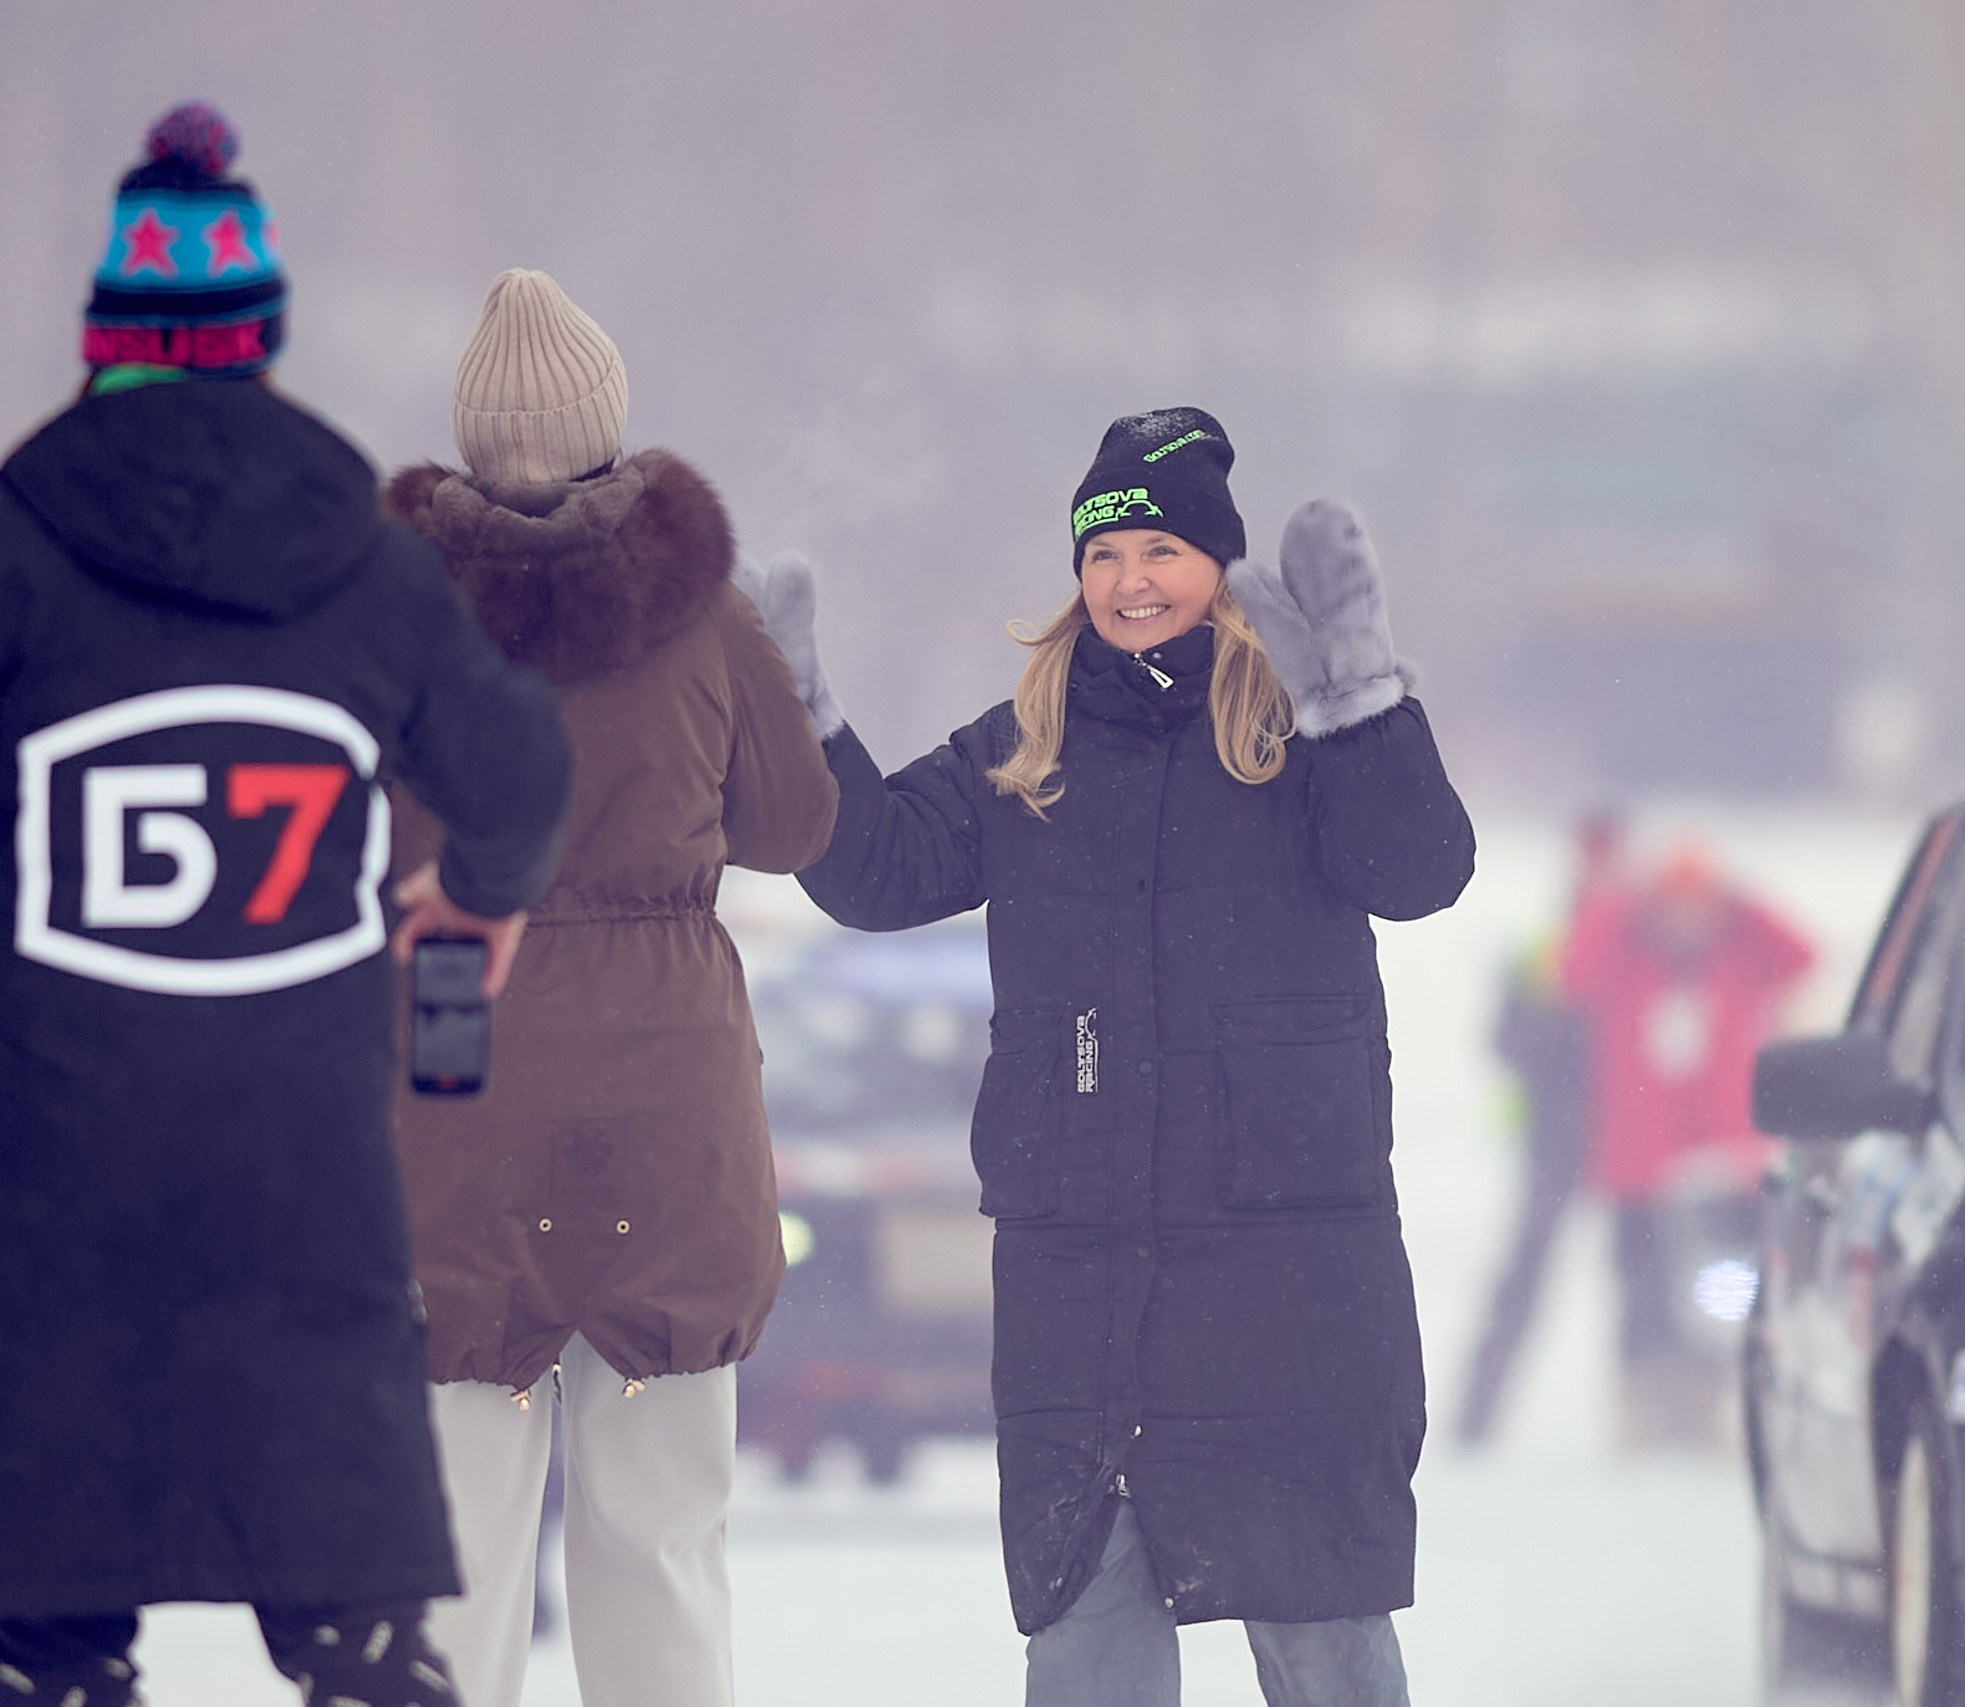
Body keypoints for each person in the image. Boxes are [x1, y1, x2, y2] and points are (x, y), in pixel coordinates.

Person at [0, 106, 572, 1707]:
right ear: (261, 342)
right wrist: (474, 893)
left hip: (49, 1180)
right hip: (301, 1176)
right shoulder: (373, 574)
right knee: (364, 1643)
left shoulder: (16, 550)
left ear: (103, 337)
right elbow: (519, 768)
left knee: (35, 1632)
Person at [771, 408, 1473, 1707]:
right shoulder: (1029, 743)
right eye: (1103, 554)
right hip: (1087, 1290)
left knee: (1323, 1633)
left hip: (1288, 1284)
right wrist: (800, 719)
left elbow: (1420, 869)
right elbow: (876, 868)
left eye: (1160, 547)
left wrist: (1364, 697)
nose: (1130, 579)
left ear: (1221, 563)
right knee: (1088, 1640)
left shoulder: (1298, 731)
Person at [384, 269, 840, 1707]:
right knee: (660, 1553)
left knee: (446, 1562)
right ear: (605, 423)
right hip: (665, 1108)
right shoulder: (705, 620)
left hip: (458, 1080)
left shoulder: (391, 628)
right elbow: (792, 827)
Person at [1561, 843, 1813, 1446]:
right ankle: (1644, 1412)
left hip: (1722, 1168)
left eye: (1698, 904)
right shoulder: (1624, 959)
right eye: (1673, 904)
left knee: (1723, 1296)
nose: (1685, 919)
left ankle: (1708, 1407)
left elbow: (1802, 955)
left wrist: (1741, 900)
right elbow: (1574, 971)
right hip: (1639, 1169)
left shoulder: (1739, 959)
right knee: (1641, 1295)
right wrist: (1621, 901)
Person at [1453, 810, 1622, 1446]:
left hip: (1621, 1140)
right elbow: (1504, 1040)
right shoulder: (1546, 948)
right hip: (1557, 1141)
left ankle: (1660, 1427)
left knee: (1646, 1283)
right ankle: (1475, 1421)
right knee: (1522, 1286)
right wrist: (1550, 1028)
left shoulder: (1638, 941)